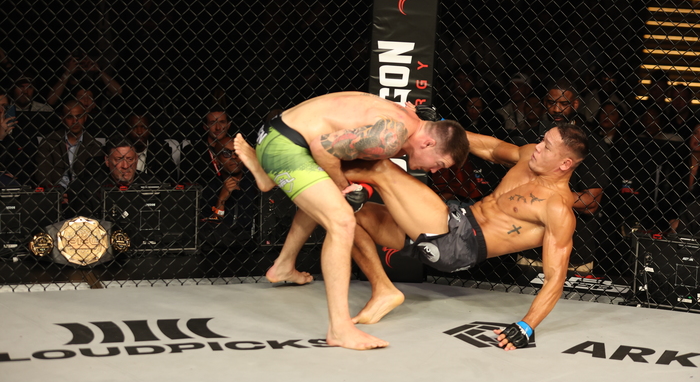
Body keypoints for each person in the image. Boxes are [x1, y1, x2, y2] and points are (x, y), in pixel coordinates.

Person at [236, 120, 588, 350]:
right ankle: (381, 289)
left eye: (546, 147)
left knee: (379, 168)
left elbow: (555, 278)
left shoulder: (557, 208)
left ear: (564, 164)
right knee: (342, 212)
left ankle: (275, 170)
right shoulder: (528, 157)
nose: (537, 146)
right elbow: (492, 148)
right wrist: (427, 129)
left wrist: (527, 326)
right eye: (542, 140)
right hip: (453, 219)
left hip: (459, 241)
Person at [234, 91, 470, 350]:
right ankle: (340, 329)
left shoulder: (408, 117)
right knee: (342, 221)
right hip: (286, 146)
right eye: (439, 163)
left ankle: (283, 265)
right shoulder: (391, 137)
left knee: (328, 199)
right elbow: (321, 148)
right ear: (427, 143)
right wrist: (342, 185)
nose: (435, 170)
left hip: (279, 133)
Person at [510, 78, 611, 274]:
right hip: (529, 247)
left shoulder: (592, 145)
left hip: (573, 251)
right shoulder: (527, 139)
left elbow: (590, 203)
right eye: (551, 102)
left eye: (563, 104)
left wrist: (541, 195)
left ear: (575, 104)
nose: (556, 109)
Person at [34, 101, 103, 190]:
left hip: (82, 193)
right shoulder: (49, 141)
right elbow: (42, 174)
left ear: (85, 117)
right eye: (70, 117)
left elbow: (94, 178)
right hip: (54, 191)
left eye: (79, 116)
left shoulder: (94, 145)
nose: (75, 121)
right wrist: (54, 192)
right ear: (62, 118)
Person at [122, 113, 178, 183]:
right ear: (127, 131)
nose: (139, 132)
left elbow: (170, 179)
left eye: (144, 127)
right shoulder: (119, 151)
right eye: (134, 128)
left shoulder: (160, 150)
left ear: (149, 130)